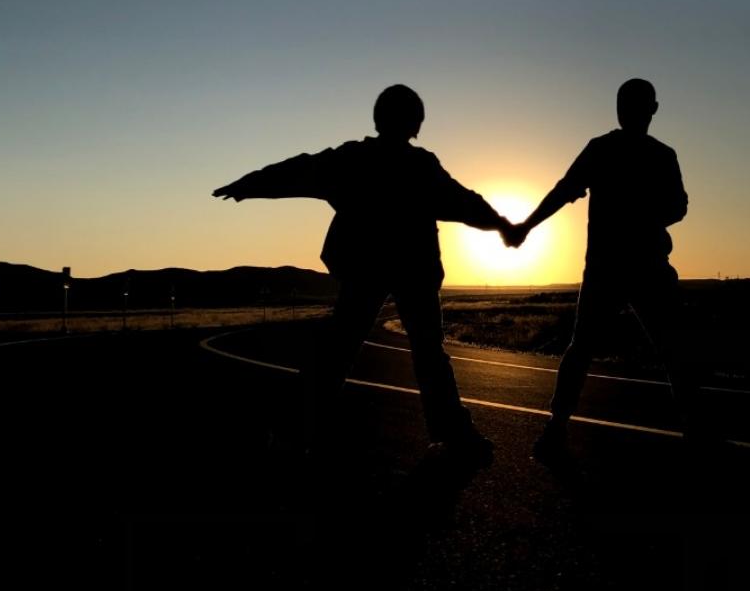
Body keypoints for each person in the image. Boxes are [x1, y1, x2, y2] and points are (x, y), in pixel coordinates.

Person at [212, 84, 515, 462]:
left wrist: (250, 184)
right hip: (410, 270)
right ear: (415, 123)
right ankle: (451, 433)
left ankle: (295, 432)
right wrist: (503, 225)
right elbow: (462, 201)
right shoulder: (418, 166)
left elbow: (300, 169)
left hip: (371, 270)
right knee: (424, 354)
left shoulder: (354, 159)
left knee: (341, 350)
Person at [506, 79, 696, 464]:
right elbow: (677, 208)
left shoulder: (610, 150)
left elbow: (565, 191)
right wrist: (526, 225)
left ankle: (556, 429)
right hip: (634, 267)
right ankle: (698, 433)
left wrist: (526, 226)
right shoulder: (654, 154)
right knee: (668, 349)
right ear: (652, 109)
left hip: (619, 267)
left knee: (588, 349)